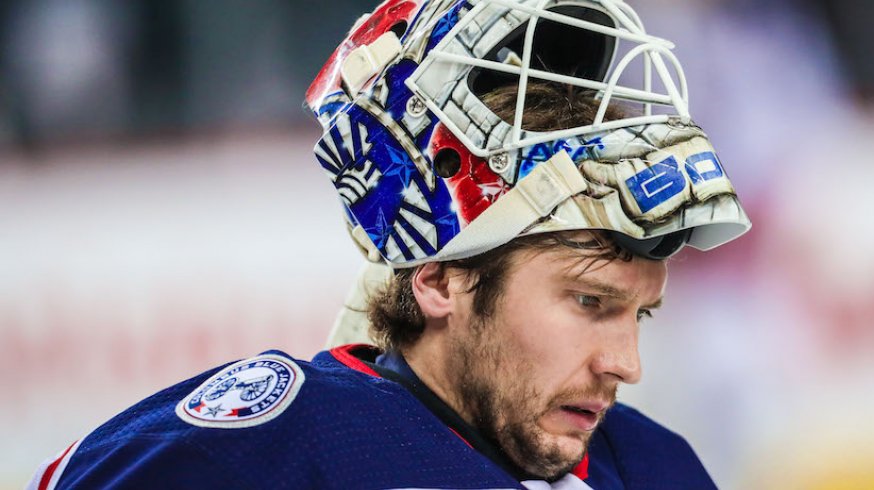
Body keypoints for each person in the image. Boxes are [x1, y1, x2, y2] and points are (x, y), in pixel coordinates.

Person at [29, 0, 750, 488]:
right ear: (438, 279)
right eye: (589, 302)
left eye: (638, 314)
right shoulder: (269, 447)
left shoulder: (655, 467)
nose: (625, 365)